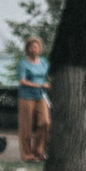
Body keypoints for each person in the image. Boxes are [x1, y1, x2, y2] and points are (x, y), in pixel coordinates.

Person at [16, 29, 52, 163]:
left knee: (45, 122)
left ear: (39, 48)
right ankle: (27, 154)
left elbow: (48, 76)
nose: (33, 49)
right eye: (31, 47)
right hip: (26, 97)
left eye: (36, 47)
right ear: (27, 49)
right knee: (26, 126)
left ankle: (39, 151)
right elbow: (22, 80)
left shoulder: (43, 62)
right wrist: (38, 85)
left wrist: (50, 82)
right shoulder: (23, 63)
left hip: (41, 96)